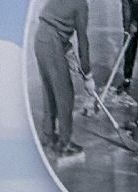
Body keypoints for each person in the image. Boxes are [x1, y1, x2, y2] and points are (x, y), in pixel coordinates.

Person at [34, 0, 92, 160]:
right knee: (65, 94)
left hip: (40, 38)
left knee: (49, 90)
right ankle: (64, 145)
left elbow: (57, 19)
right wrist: (88, 76)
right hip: (52, 42)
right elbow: (83, 40)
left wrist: (67, 50)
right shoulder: (81, 4)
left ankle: (48, 136)